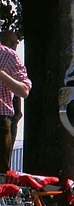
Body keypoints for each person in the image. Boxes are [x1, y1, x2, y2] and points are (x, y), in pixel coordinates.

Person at [0, 29, 30, 171]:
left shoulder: (8, 56)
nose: (14, 45)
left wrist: (2, 74)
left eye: (16, 42)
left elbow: (24, 91)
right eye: (11, 42)